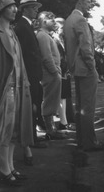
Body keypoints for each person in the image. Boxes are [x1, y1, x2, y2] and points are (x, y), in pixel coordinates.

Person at [0, 0, 34, 187]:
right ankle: (4, 170)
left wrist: (26, 83)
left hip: (19, 86)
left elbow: (19, 60)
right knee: (4, 131)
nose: (15, 9)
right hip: (5, 88)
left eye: (15, 6)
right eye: (10, 7)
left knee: (15, 130)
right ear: (1, 10)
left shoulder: (12, 31)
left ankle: (11, 166)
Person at [64, 0, 104, 151]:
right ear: (79, 2)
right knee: (88, 107)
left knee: (80, 106)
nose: (89, 5)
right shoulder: (80, 20)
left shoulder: (69, 20)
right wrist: (92, 66)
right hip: (86, 69)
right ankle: (90, 143)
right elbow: (86, 47)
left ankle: (81, 141)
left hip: (76, 68)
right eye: (88, 2)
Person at [15, 0, 47, 161]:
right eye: (34, 8)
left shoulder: (25, 25)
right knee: (32, 107)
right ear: (26, 9)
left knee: (35, 105)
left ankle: (33, 137)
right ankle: (31, 139)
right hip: (29, 74)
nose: (36, 10)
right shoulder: (22, 26)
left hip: (33, 74)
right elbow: (26, 54)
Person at [36, 11, 66, 140]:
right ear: (43, 22)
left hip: (52, 73)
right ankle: (50, 130)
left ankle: (51, 129)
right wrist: (55, 72)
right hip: (49, 74)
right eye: (51, 20)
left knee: (52, 101)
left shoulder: (45, 35)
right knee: (49, 101)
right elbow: (46, 57)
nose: (54, 22)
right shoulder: (42, 36)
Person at [54, 18, 75, 131]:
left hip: (64, 73)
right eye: (61, 27)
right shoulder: (55, 40)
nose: (63, 29)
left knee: (64, 98)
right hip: (60, 73)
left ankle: (65, 121)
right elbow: (58, 58)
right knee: (61, 98)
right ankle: (63, 123)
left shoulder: (61, 40)